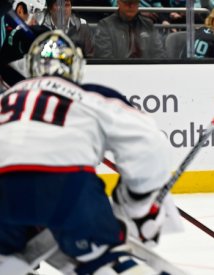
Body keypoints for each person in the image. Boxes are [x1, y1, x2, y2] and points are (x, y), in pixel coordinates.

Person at [0, 30, 181, 274]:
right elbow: (149, 142)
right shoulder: (90, 94)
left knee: (7, 261)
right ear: (76, 66)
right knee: (102, 260)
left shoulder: (6, 97)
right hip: (67, 186)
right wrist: (136, 205)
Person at [94, 0, 167, 59]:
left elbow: (159, 54)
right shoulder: (105, 25)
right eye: (127, 2)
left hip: (145, 71)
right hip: (117, 72)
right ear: (118, 2)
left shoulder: (148, 24)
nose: (131, 6)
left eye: (135, 2)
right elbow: (104, 57)